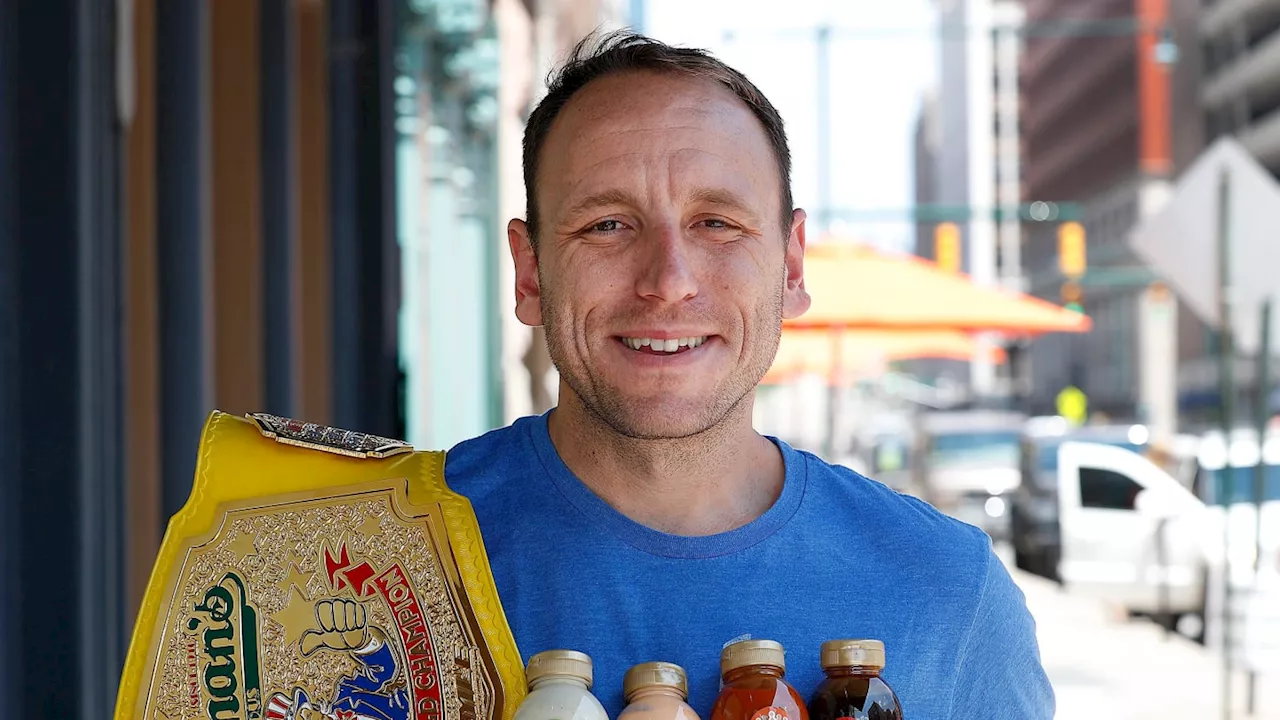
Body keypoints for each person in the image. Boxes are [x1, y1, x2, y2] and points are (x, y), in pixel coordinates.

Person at [446, 31, 1053, 719]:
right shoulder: (377, 558)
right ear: (529, 273)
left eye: (716, 222)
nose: (669, 282)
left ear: (792, 267)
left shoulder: (950, 592)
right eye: (608, 225)